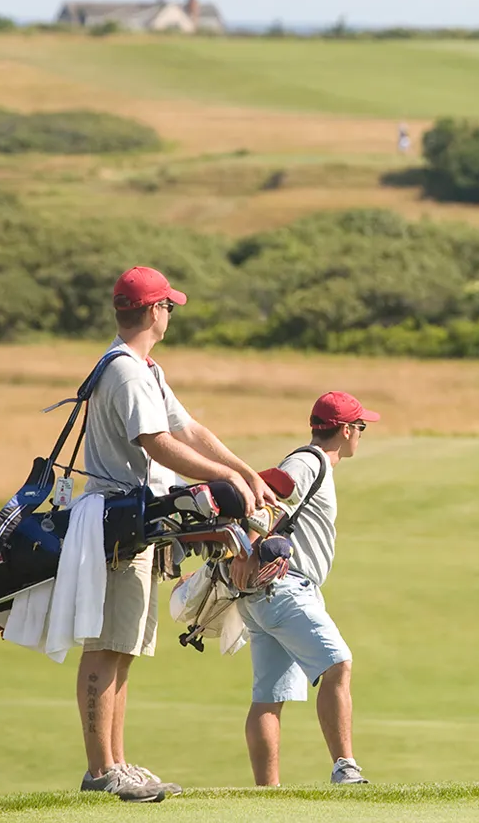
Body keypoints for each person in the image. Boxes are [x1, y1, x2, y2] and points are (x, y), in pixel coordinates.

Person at [76, 265, 275, 802]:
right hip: (117, 523)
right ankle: (101, 771)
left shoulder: (145, 368)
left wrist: (243, 471)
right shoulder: (126, 371)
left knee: (124, 647)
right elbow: (156, 443)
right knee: (106, 647)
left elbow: (189, 430)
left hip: (135, 525)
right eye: (168, 306)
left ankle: (116, 762)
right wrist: (222, 477)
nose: (170, 314)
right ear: (152, 310)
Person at [241, 391, 377, 787]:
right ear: (347, 430)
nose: (361, 435)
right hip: (284, 588)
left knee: (269, 695)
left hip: (265, 593)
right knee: (338, 663)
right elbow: (269, 492)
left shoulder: (311, 462)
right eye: (361, 427)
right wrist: (244, 547)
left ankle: (268, 795)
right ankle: (345, 768)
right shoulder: (309, 461)